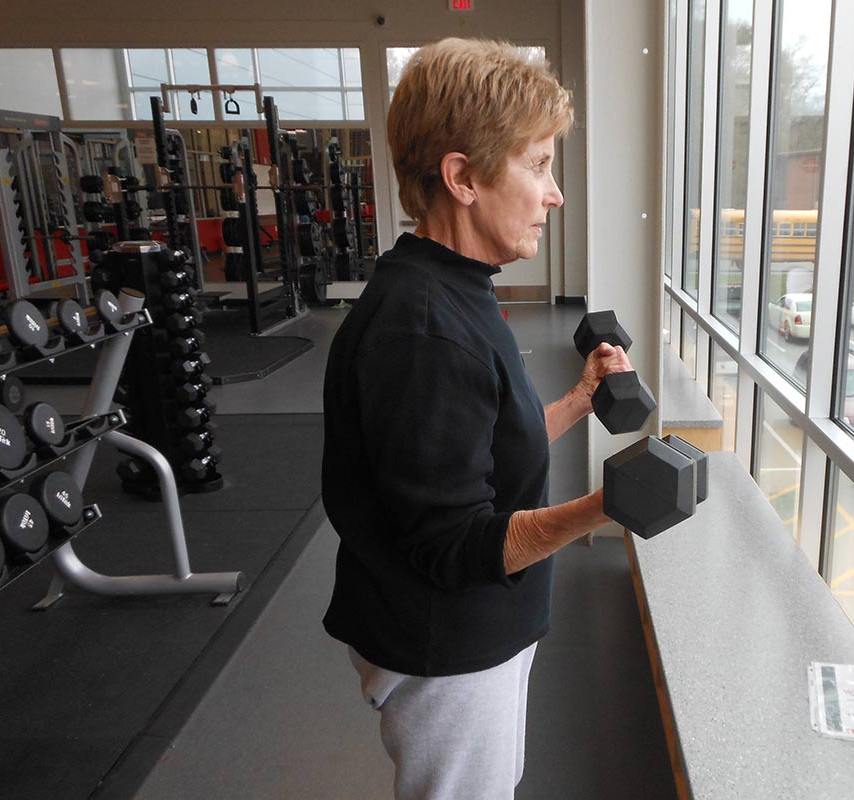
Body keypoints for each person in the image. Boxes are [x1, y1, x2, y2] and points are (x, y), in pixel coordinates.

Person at [320, 38, 633, 800]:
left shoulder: (454, 285)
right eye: (537, 165)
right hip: (445, 649)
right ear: (462, 177)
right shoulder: (423, 326)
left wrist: (576, 402)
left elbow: (476, 449)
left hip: (476, 630)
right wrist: (602, 510)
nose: (554, 193)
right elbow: (449, 542)